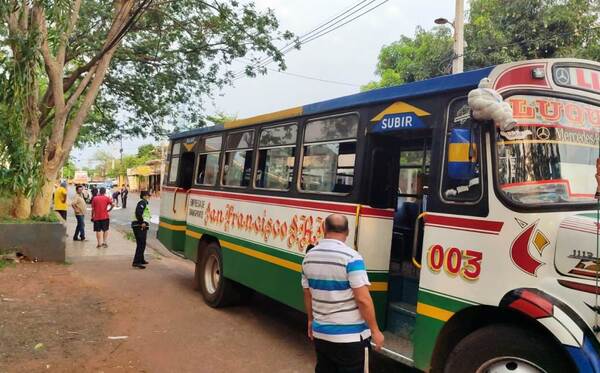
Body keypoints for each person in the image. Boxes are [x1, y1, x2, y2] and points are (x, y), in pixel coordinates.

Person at [301, 214, 384, 373]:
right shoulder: (352, 258)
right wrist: (375, 330)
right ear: (347, 232)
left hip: (321, 335)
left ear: (324, 229)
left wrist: (311, 320)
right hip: (350, 339)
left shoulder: (308, 258)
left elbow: (308, 294)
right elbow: (363, 299)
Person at [131, 191, 151, 269]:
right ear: (144, 196)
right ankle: (136, 262)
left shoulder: (144, 203)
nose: (149, 197)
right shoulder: (142, 202)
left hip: (140, 225)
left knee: (142, 243)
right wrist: (142, 222)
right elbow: (138, 213)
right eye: (148, 195)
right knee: (141, 244)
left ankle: (141, 259)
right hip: (139, 225)